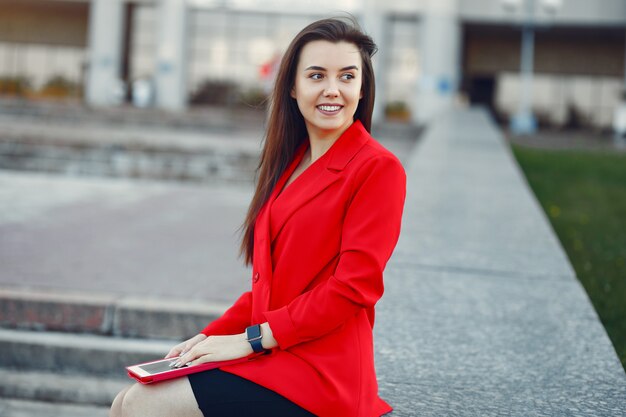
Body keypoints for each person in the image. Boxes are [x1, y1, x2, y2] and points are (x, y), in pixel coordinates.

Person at [110, 16, 406, 417]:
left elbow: (353, 289)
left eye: (347, 76)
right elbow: (269, 287)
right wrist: (207, 337)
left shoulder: (378, 169)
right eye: (317, 75)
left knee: (146, 406)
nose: (332, 90)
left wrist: (250, 340)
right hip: (277, 352)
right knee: (124, 400)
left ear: (362, 87)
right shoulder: (292, 163)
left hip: (323, 372)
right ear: (292, 87)